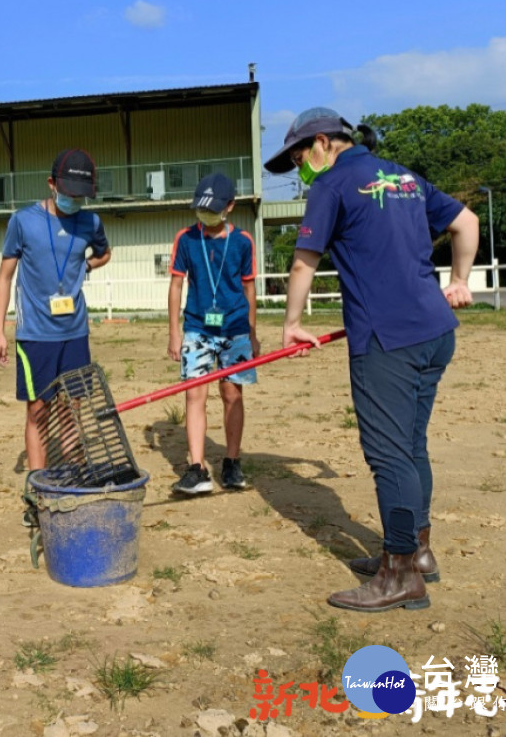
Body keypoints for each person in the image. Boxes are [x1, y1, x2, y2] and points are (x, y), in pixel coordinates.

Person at [266, 106, 479, 613]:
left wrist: (292, 324)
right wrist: (460, 281)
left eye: (298, 157)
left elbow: (303, 261)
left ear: (322, 142)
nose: (300, 169)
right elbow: (466, 222)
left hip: (387, 340)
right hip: (434, 331)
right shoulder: (402, 176)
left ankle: (399, 573)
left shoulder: (332, 184)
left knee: (389, 455)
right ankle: (418, 551)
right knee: (410, 445)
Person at [0, 150, 112, 521]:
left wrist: (84, 267)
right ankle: (39, 492)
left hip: (75, 332)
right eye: (68, 193)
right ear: (51, 185)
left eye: (81, 195)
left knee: (73, 411)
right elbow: (5, 276)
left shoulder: (90, 222)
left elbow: (105, 254)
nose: (74, 201)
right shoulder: (23, 221)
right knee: (38, 411)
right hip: (35, 336)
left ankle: (74, 482)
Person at [166, 172, 259, 495]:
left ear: (230, 206)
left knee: (232, 394)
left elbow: (249, 288)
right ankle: (197, 467)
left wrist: (252, 332)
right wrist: (174, 332)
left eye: (213, 208)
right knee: (195, 394)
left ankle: (232, 462)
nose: (206, 215)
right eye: (201, 208)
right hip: (197, 327)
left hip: (234, 328)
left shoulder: (244, 241)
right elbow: (176, 285)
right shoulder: (186, 239)